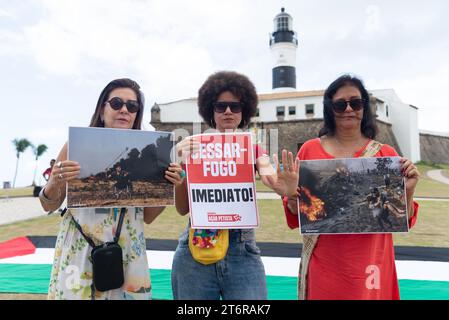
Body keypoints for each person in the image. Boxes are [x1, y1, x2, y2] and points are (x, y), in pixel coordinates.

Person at [39, 78, 182, 300]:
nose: (124, 110)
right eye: (117, 103)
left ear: (137, 114)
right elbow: (49, 204)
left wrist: (166, 187)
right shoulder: (74, 144)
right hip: (80, 248)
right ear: (102, 108)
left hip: (128, 250)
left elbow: (150, 217)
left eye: (132, 106)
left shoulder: (151, 155)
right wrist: (56, 181)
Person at [281, 74, 420, 300]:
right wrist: (290, 197)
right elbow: (298, 214)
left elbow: (403, 218)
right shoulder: (309, 151)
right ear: (330, 108)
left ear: (364, 107)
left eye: (355, 102)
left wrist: (409, 190)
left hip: (371, 264)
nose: (348, 109)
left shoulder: (385, 155)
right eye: (340, 104)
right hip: (325, 263)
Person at [171, 71, 298, 300]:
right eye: (221, 106)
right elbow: (182, 209)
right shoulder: (193, 148)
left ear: (244, 111)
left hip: (242, 250)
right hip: (195, 247)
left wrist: (276, 181)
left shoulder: (253, 148)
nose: (228, 111)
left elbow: (266, 166)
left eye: (235, 106)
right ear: (212, 110)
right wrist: (181, 166)